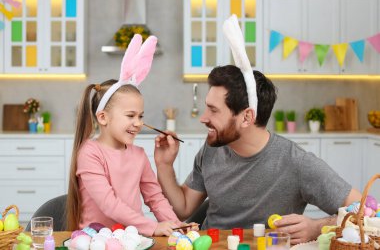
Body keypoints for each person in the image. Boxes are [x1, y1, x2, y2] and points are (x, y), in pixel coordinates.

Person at [154, 65, 362, 243]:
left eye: (213, 110)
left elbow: (366, 211)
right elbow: (183, 208)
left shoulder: (296, 162)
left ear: (246, 117)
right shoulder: (211, 150)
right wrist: (164, 166)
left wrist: (318, 227)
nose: (203, 118)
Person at [66, 34, 183, 236]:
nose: (138, 123)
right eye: (130, 115)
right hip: (95, 241)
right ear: (103, 117)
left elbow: (155, 197)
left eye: (140, 116)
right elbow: (109, 204)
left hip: (131, 240)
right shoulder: (89, 153)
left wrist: (176, 226)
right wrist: (153, 227)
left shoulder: (138, 154)